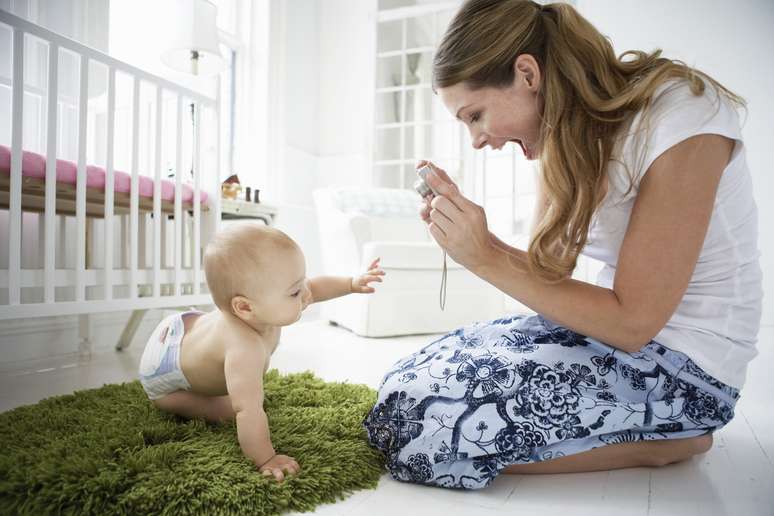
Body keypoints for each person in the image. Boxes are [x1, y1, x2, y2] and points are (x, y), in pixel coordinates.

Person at [363, 0, 761, 490]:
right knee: (402, 385)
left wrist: (483, 255)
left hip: (684, 366)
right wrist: (477, 239)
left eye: (476, 115)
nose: (476, 140)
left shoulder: (681, 115)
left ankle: (669, 438)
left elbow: (634, 322)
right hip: (609, 338)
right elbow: (548, 277)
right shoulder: (568, 138)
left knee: (413, 431)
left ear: (527, 73)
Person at [139, 222, 384, 482]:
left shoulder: (258, 306)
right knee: (231, 409)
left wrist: (351, 283)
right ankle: (170, 398)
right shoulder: (244, 348)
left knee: (230, 370)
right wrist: (265, 457)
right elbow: (248, 411)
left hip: (182, 326)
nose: (306, 294)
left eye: (301, 283)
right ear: (244, 308)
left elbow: (314, 287)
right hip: (163, 372)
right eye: (294, 292)